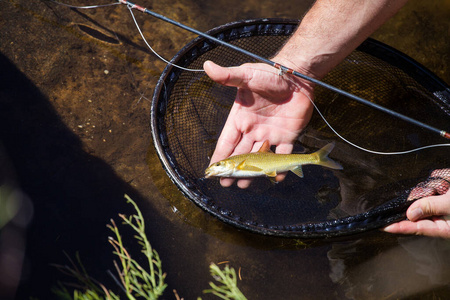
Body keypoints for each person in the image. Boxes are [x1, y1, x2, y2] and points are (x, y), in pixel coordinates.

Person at [203, 0, 450, 238]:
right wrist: (292, 68)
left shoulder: (243, 164)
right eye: (218, 167)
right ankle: (318, 161)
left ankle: (318, 162)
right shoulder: (242, 163)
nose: (216, 168)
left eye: (219, 166)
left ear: (233, 165)